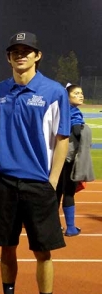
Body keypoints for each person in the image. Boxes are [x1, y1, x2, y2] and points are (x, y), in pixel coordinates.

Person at [0, 31, 70, 294]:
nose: (21, 55)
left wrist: (52, 182)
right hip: (6, 182)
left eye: (27, 50)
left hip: (38, 185)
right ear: (9, 57)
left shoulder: (53, 91)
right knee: (7, 247)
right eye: (15, 51)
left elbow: (62, 139)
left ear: (37, 55)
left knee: (42, 252)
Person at [55, 84, 85, 236]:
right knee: (68, 192)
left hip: (54, 157)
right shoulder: (74, 112)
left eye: (81, 93)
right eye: (76, 93)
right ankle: (71, 228)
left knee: (56, 191)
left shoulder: (58, 110)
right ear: (67, 96)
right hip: (69, 159)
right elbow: (77, 131)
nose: (81, 96)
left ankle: (54, 226)